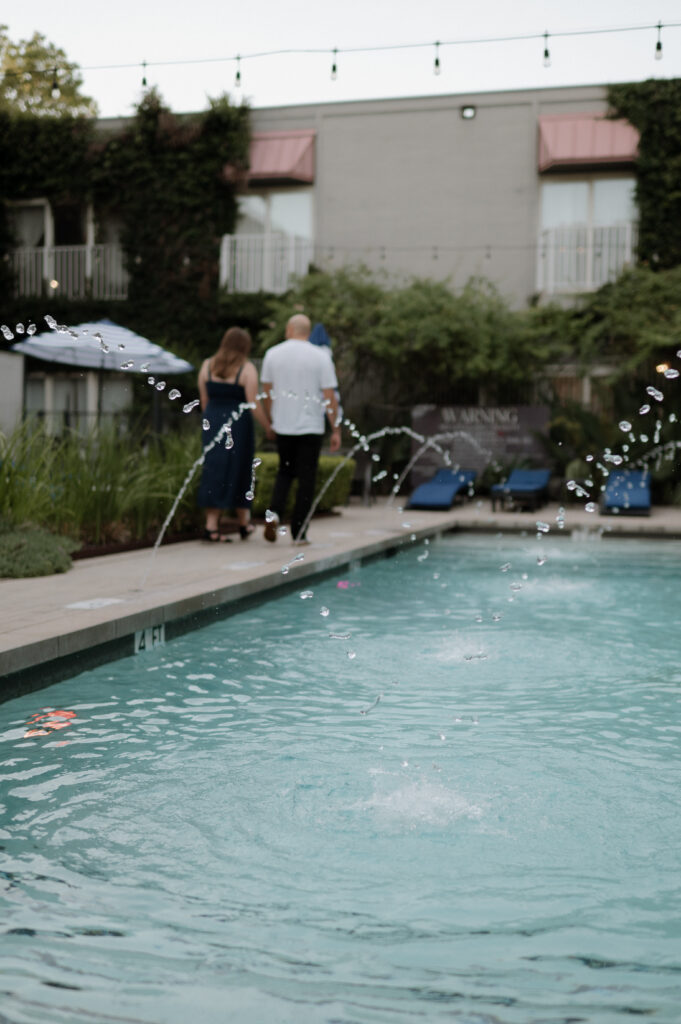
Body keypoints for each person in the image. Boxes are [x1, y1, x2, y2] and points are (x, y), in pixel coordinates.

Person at [261, 313, 341, 544]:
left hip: (283, 424)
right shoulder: (321, 357)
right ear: (307, 331)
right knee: (307, 478)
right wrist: (336, 428)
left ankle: (274, 513)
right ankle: (299, 531)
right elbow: (329, 396)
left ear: (289, 329)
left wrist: (271, 419)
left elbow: (268, 391)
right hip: (311, 427)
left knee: (284, 473)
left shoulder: (272, 354)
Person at [197, 326, 273, 542]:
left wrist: (212, 422)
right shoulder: (246, 368)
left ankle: (214, 525)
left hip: (212, 422)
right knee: (240, 470)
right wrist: (267, 425)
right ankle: (241, 524)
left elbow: (204, 401)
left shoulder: (206, 365)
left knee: (214, 469)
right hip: (238, 425)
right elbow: (252, 402)